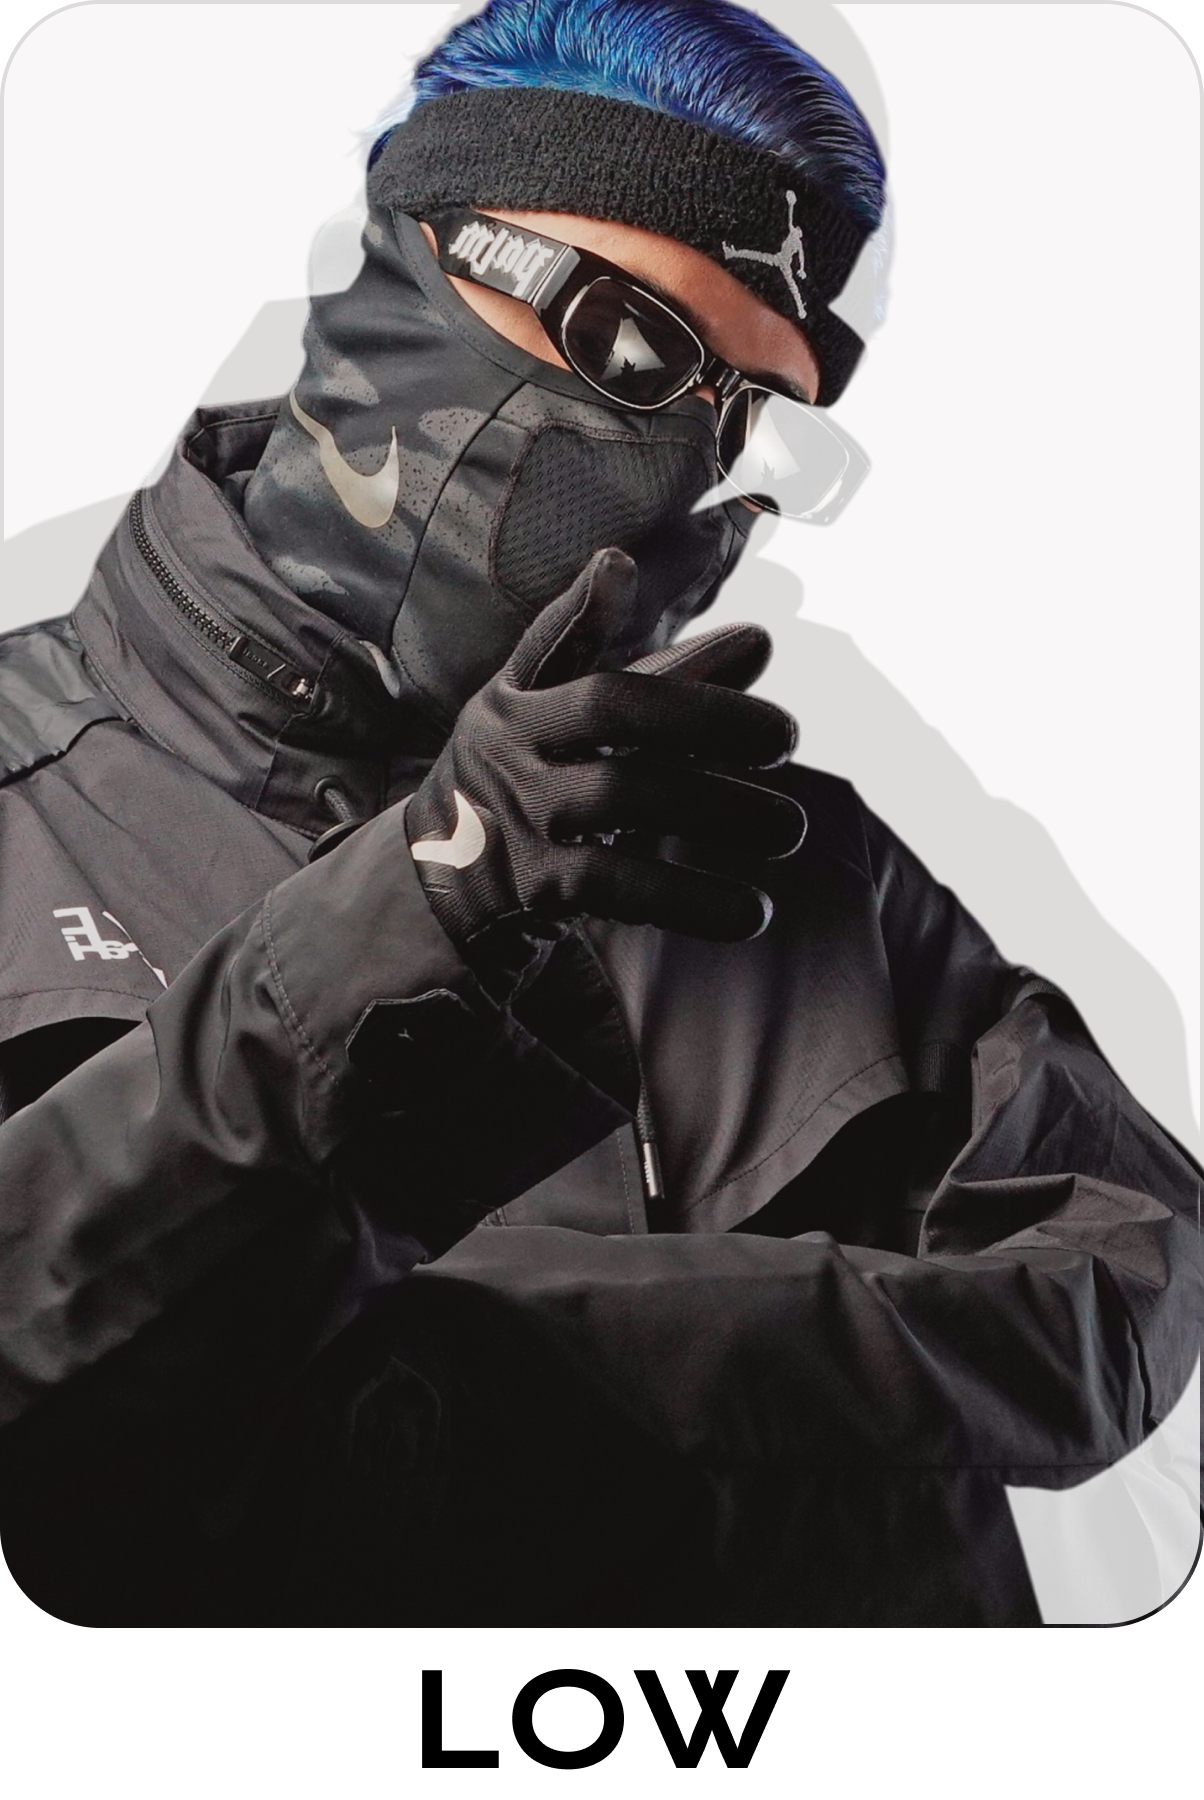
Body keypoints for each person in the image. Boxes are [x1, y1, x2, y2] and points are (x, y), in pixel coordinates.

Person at [0, 0, 1200, 1628]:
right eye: (624, 341)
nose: (669, 471)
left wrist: (408, 1412)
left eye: (760, 435)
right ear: (379, 275)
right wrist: (413, 918)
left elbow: (1169, 1376)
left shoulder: (801, 884)